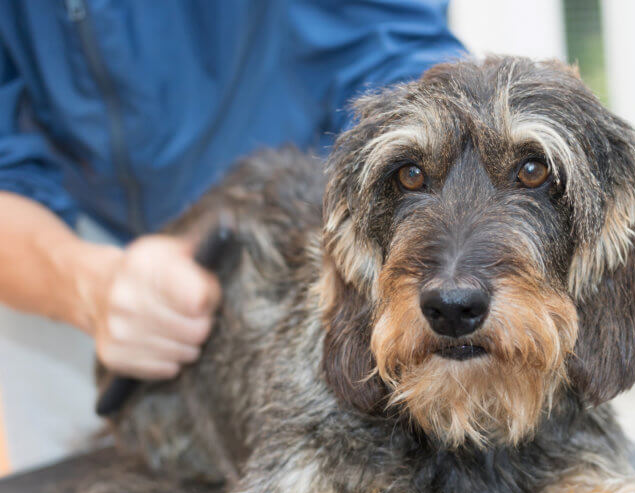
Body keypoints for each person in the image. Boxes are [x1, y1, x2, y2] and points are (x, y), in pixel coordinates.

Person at [0, 1, 465, 381]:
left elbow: (391, 53)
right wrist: (86, 286)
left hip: (295, 230)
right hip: (56, 243)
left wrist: (417, 187)